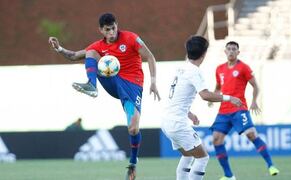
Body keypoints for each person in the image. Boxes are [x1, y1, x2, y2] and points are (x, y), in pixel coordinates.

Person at [49, 13, 161, 180]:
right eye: (107, 30)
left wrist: (153, 82)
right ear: (101, 30)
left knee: (133, 128)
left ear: (117, 25)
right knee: (91, 53)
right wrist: (59, 48)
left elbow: (150, 56)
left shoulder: (131, 38)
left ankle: (133, 163)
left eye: (114, 28)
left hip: (132, 85)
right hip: (112, 81)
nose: (112, 32)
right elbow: (74, 56)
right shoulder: (99, 45)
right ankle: (91, 85)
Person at [161, 36, 242, 180]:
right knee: (202, 158)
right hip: (177, 124)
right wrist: (230, 98)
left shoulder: (181, 68)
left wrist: (189, 113)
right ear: (204, 53)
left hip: (167, 121)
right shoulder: (194, 71)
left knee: (187, 155)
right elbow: (205, 95)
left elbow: (176, 97)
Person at [210, 41, 280, 180]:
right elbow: (218, 87)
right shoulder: (219, 69)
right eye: (229, 49)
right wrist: (213, 98)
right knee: (216, 139)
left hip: (239, 109)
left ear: (238, 52)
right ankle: (228, 175)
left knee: (251, 135)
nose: (231, 51)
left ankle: (271, 165)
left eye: (234, 49)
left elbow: (255, 86)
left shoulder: (243, 68)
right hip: (223, 111)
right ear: (225, 51)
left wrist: (254, 101)